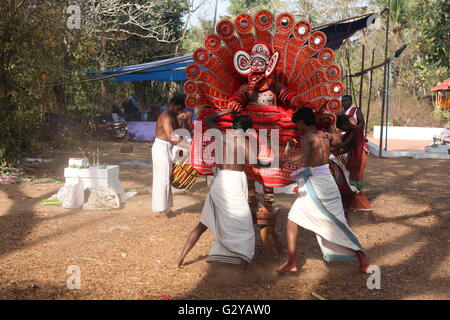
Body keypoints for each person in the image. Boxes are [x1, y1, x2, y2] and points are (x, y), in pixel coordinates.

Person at [278, 107, 369, 274]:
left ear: (303, 122)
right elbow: (339, 143)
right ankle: (292, 262)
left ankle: (362, 257)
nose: (297, 128)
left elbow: (301, 158)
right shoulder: (325, 135)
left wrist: (284, 159)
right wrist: (330, 130)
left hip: (316, 185)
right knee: (296, 219)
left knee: (333, 223)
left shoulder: (307, 137)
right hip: (327, 181)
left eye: (297, 124)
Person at [176, 109, 256, 268]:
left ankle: (179, 260)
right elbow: (253, 162)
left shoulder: (221, 135)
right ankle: (243, 265)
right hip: (234, 183)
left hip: (220, 182)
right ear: (247, 130)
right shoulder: (245, 141)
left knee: (202, 224)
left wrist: (227, 111)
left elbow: (208, 120)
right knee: (245, 226)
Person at [151, 93, 187, 215]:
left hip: (169, 147)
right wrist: (188, 145)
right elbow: (171, 136)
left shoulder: (173, 116)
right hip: (161, 147)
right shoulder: (165, 117)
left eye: (181, 110)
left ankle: (166, 207)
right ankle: (159, 209)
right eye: (178, 109)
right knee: (162, 177)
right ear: (172, 105)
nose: (179, 112)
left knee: (167, 176)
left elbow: (178, 132)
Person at [334, 115, 372, 213]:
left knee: (355, 182)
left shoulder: (355, 130)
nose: (343, 130)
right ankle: (351, 205)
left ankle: (361, 206)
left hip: (357, 157)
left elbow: (344, 145)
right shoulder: (352, 130)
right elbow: (347, 148)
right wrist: (335, 154)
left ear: (345, 124)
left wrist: (332, 149)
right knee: (351, 181)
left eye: (342, 128)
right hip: (354, 155)